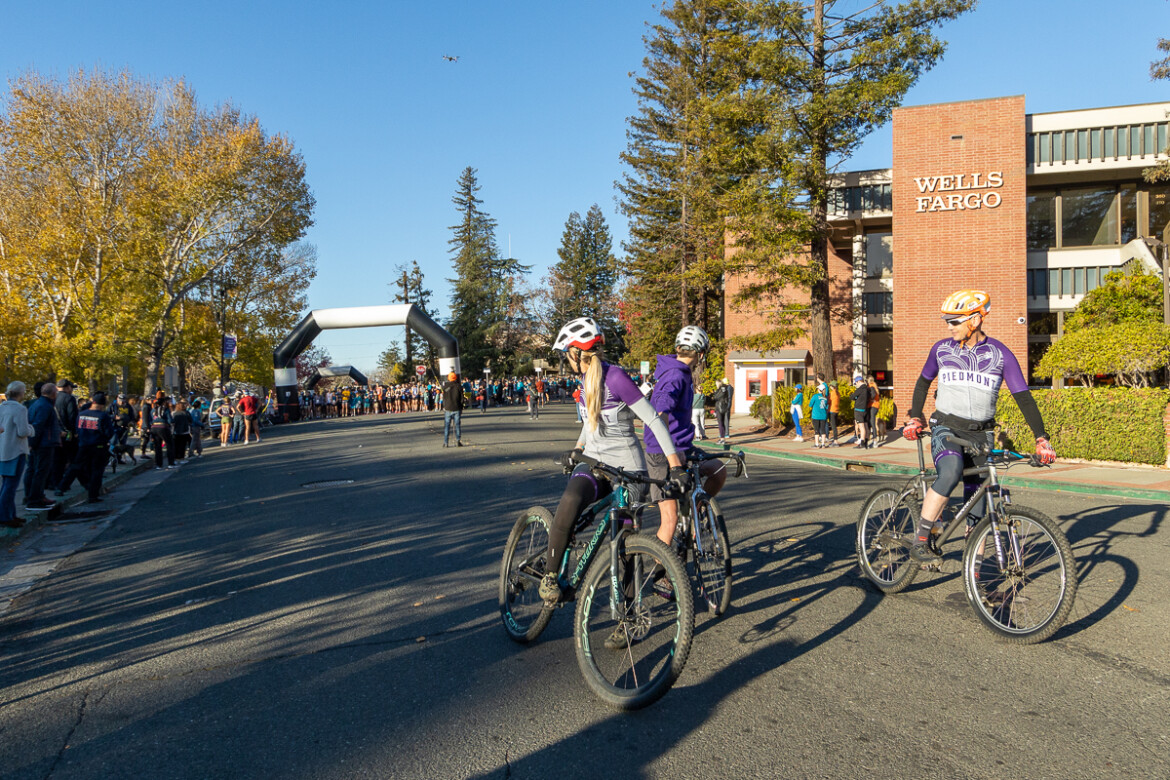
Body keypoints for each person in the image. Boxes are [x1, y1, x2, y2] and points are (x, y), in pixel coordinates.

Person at [538, 317, 683, 617]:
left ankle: (627, 616)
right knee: (570, 501)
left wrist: (675, 466)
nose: (566, 360)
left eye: (567, 354)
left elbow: (653, 421)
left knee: (625, 543)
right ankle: (551, 576)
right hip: (594, 464)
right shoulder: (585, 380)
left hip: (628, 469)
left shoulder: (615, 377)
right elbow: (591, 423)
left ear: (578, 353)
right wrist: (577, 450)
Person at [904, 290, 1057, 564]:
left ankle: (973, 572)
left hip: (981, 434)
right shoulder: (941, 349)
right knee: (950, 473)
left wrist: (1041, 438)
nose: (949, 327)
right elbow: (923, 381)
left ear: (974, 320)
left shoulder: (1000, 354)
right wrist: (917, 416)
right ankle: (922, 539)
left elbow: (1023, 397)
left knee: (977, 500)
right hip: (946, 428)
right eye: (948, 322)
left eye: (954, 321)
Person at [644, 325, 728, 562]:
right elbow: (660, 410)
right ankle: (663, 574)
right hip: (661, 451)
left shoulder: (680, 371)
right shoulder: (675, 375)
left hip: (682, 445)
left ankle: (696, 509)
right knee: (669, 519)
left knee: (718, 470)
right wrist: (673, 461)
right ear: (701, 354)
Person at [56, 391, 115, 503]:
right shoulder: (103, 416)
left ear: (93, 402)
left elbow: (77, 428)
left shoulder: (82, 414)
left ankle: (61, 487)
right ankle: (93, 495)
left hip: (83, 444)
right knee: (96, 471)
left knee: (75, 467)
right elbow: (109, 432)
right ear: (103, 404)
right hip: (98, 446)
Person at [0, 382, 35, 527]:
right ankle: (5, 516)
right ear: (21, 393)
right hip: (17, 449)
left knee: (6, 484)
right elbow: (23, 431)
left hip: (3, 449)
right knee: (11, 486)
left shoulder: (2, 408)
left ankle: (10, 514)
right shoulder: (20, 409)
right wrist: (32, 429)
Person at [25, 382, 62, 510]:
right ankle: (35, 499)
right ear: (53, 393)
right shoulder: (45, 406)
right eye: (56, 392)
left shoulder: (37, 404)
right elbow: (38, 425)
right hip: (44, 443)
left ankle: (34, 496)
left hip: (41, 442)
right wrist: (33, 443)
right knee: (40, 471)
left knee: (35, 470)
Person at [51, 378, 79, 491]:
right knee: (74, 460)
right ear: (67, 387)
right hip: (68, 434)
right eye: (71, 387)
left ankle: (56, 483)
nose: (72, 390)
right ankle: (65, 483)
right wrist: (75, 432)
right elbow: (72, 417)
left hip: (56, 433)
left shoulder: (53, 398)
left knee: (57, 460)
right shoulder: (69, 399)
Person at [442, 372, 464, 447]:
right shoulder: (459, 386)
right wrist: (461, 408)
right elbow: (462, 399)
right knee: (457, 425)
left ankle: (446, 442)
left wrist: (444, 406)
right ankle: (458, 440)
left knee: (447, 426)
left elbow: (444, 398)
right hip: (457, 408)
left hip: (448, 408)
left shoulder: (445, 387)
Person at [712, 378, 733, 445]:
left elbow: (716, 397)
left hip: (720, 407)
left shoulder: (721, 389)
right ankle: (722, 437)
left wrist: (714, 394)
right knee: (723, 423)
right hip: (724, 406)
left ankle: (722, 438)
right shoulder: (727, 388)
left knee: (720, 423)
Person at [851, 375, 870, 448]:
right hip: (865, 409)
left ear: (859, 382)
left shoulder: (860, 389)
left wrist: (856, 397)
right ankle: (866, 442)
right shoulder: (867, 389)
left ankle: (862, 443)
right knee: (865, 426)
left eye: (856, 383)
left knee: (861, 426)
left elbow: (852, 397)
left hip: (859, 410)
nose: (856, 385)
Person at [810, 382, 829, 448]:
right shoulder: (825, 398)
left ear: (818, 390)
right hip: (823, 416)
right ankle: (823, 444)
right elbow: (827, 407)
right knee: (823, 430)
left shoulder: (815, 396)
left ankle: (817, 444)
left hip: (816, 415)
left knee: (816, 430)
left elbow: (810, 404)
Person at [866, 373, 881, 448]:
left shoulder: (871, 386)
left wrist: (871, 399)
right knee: (871, 422)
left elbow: (873, 394)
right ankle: (872, 439)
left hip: (872, 406)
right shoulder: (875, 385)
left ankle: (875, 440)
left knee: (872, 422)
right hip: (876, 406)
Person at [825, 375, 841, 447]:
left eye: (830, 386)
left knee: (833, 425)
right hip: (836, 410)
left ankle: (835, 440)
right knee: (834, 425)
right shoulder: (838, 393)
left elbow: (828, 401)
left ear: (832, 386)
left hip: (831, 410)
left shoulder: (832, 393)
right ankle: (835, 439)